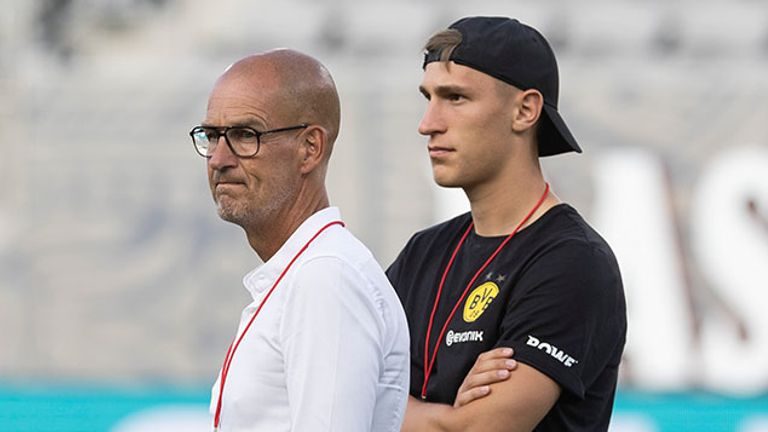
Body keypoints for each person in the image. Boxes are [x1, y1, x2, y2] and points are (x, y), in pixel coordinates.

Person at [386, 17, 627, 431]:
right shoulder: (423, 253)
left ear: (525, 110)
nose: (428, 123)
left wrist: (393, 406)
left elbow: (474, 429)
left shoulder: (572, 262)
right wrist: (442, 415)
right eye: (428, 97)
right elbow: (332, 388)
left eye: (455, 98)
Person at [190, 49, 410, 432]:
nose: (218, 158)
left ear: (310, 148)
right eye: (211, 136)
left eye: (245, 135)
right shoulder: (307, 273)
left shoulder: (325, 277)